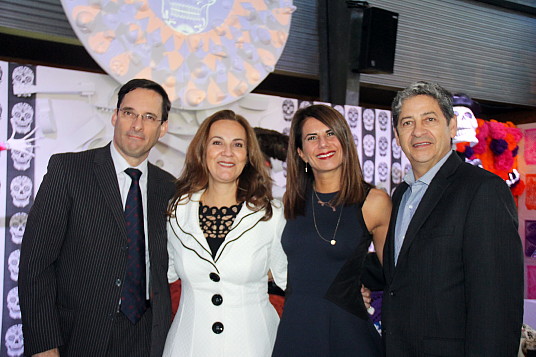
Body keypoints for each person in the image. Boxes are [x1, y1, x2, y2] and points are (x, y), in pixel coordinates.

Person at [19, 79, 175, 357]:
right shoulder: (68, 172)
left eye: (149, 117)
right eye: (129, 113)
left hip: (149, 338)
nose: (137, 125)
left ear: (163, 128)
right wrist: (44, 345)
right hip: (79, 337)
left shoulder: (171, 188)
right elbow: (35, 265)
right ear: (115, 116)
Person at [382, 81, 524, 356]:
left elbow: (497, 305)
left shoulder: (483, 190)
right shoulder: (402, 195)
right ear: (397, 136)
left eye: (430, 119)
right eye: (407, 123)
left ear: (452, 126)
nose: (418, 131)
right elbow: (405, 273)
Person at [163, 110, 287, 356]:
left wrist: (345, 289)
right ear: (202, 151)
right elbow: (160, 273)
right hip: (188, 346)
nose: (227, 152)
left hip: (256, 346)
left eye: (237, 145)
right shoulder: (176, 211)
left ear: (248, 155)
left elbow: (295, 280)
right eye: (217, 142)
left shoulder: (271, 215)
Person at [272, 104, 391, 356]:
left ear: (345, 142)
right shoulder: (289, 202)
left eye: (330, 134)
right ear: (301, 153)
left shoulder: (374, 202)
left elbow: (396, 276)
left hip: (347, 334)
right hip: (295, 332)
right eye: (312, 138)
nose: (323, 144)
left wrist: (355, 288)